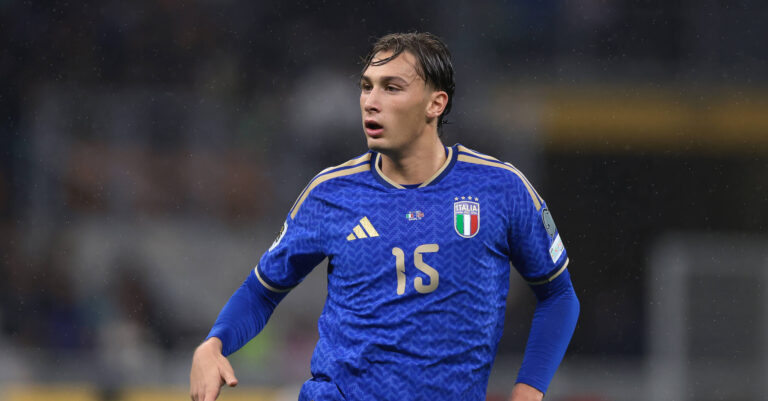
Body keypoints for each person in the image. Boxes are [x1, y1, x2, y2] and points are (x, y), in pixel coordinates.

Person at [190, 32, 579, 401]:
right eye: (366, 86)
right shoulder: (331, 192)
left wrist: (530, 387)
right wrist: (215, 342)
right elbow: (262, 290)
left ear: (435, 103)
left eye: (391, 88)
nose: (370, 101)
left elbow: (559, 296)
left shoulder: (502, 188)